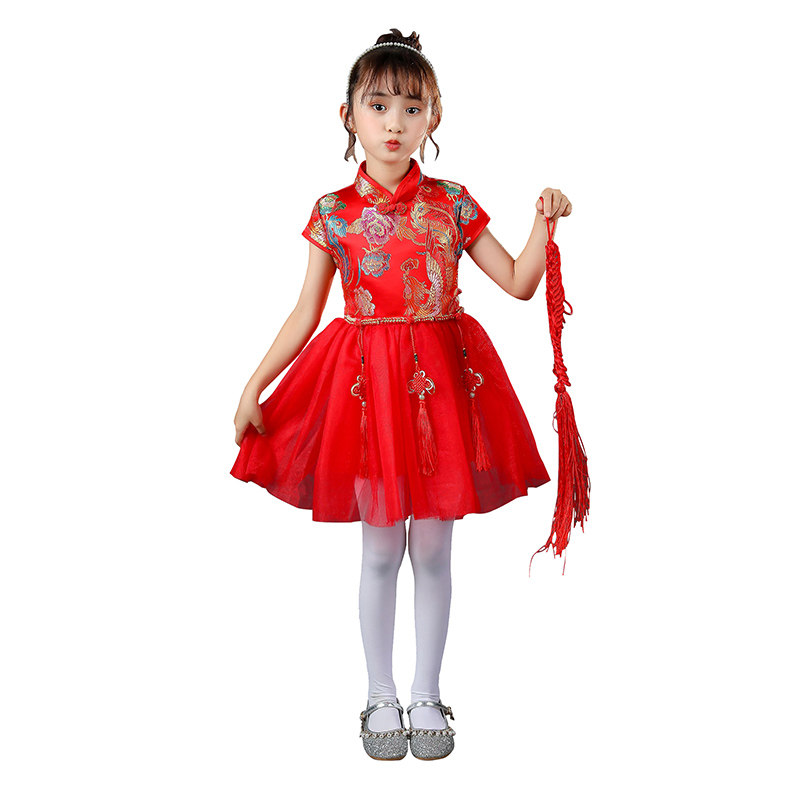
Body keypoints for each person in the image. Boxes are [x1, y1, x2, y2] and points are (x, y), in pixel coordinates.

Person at [230, 28, 573, 761]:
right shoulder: (333, 213)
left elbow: (518, 283)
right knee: (381, 546)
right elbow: (306, 312)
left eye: (412, 108)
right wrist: (255, 383)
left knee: (437, 548)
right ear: (348, 115)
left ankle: (426, 692)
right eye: (378, 105)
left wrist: (542, 221)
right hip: (368, 392)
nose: (394, 122)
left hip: (442, 388)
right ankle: (379, 693)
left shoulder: (451, 203)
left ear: (433, 118)